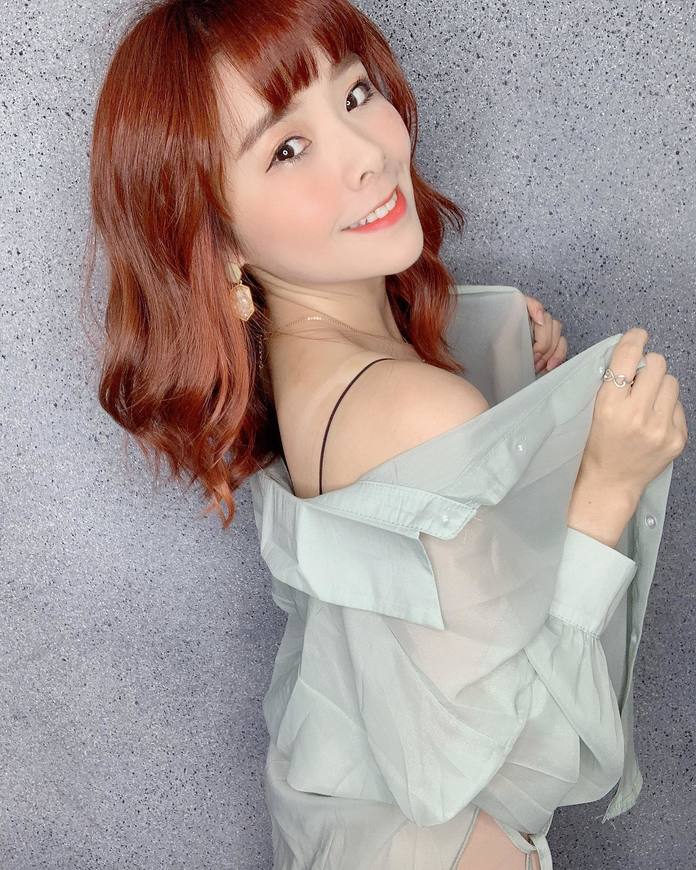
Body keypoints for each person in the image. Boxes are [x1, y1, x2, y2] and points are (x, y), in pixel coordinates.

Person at [83, 1, 688, 867]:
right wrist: (606, 489)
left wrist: (500, 353)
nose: (368, 154)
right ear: (215, 239)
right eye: (287, 148)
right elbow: (518, 764)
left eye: (356, 93)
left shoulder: (305, 380)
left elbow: (408, 592)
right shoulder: (408, 410)